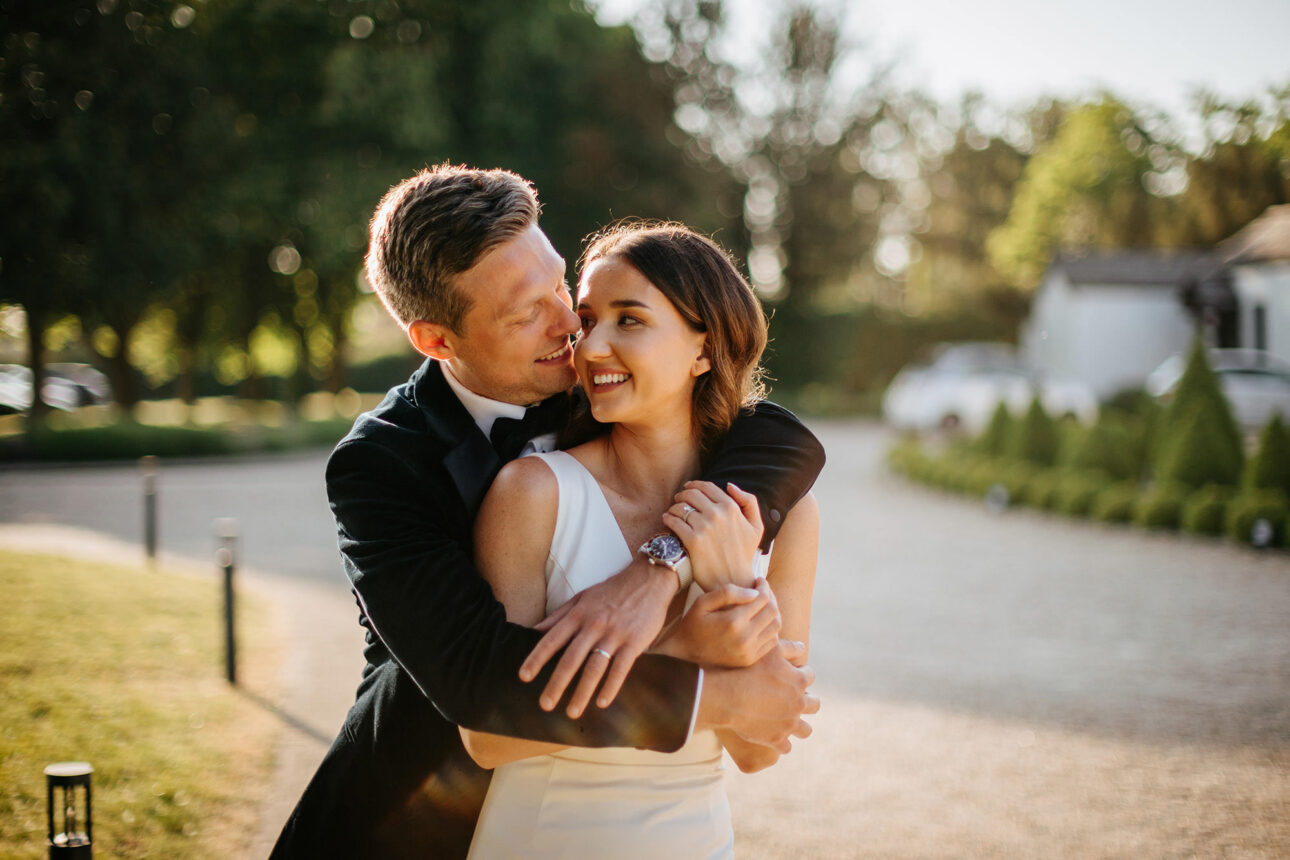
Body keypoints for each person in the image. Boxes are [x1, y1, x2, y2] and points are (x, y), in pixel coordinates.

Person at [270, 164, 825, 859]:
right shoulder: (380, 468)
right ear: (438, 341)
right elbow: (485, 687)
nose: (573, 328)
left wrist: (654, 579)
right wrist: (697, 663)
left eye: (559, 286)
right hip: (417, 818)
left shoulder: (597, 379)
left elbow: (779, 434)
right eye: (526, 313)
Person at [461, 221, 819, 858]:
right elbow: (488, 739)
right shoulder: (533, 494)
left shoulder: (786, 516)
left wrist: (731, 580)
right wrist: (680, 647)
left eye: (629, 320)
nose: (591, 346)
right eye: (589, 319)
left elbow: (761, 748)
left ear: (703, 350)